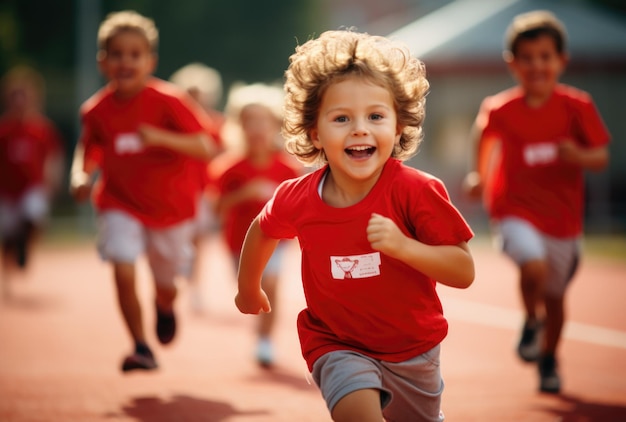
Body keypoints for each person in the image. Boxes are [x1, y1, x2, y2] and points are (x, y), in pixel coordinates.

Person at [235, 30, 475, 422]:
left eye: (376, 116)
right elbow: (263, 229)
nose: (359, 129)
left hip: (413, 348)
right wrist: (248, 287)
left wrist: (403, 247)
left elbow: (463, 271)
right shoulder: (297, 197)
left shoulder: (417, 191)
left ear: (398, 127)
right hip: (335, 342)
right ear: (315, 132)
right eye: (342, 118)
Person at [462, 10, 610, 394]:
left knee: (557, 299)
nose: (536, 66)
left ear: (562, 61)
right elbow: (483, 134)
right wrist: (479, 174)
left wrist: (577, 155)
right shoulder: (501, 108)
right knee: (533, 265)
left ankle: (548, 358)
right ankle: (531, 318)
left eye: (545, 57)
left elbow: (601, 157)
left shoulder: (577, 106)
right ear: (513, 64)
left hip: (563, 219)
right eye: (527, 58)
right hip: (513, 209)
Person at [69, 10, 220, 373]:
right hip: (119, 203)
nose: (126, 61)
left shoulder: (169, 100)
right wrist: (79, 175)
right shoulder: (95, 110)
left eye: (135, 54)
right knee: (122, 266)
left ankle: (164, 306)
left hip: (170, 210)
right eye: (117, 54)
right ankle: (140, 346)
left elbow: (206, 146)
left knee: (167, 284)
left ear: (150, 60)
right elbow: (88, 150)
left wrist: (161, 138)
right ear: (103, 62)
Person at [211, 82, 302, 367]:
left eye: (263, 120)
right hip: (237, 243)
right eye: (249, 120)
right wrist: (244, 194)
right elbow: (216, 208)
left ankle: (265, 341)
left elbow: (300, 209)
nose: (257, 127)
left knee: (271, 284)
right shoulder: (229, 168)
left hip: (276, 241)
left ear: (275, 124)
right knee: (251, 291)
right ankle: (260, 330)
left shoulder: (288, 168)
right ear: (239, 125)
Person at [0, 65, 64, 299]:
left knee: (34, 213)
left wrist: (54, 178)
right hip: (6, 191)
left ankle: (25, 247)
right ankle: (9, 269)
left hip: (32, 187)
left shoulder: (42, 129)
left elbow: (54, 156)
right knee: (8, 235)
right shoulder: (3, 130)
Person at [169, 62, 225, 314]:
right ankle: (179, 276)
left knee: (201, 240)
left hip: (204, 190)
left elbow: (222, 154)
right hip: (178, 188)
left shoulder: (215, 123)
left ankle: (196, 288)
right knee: (180, 238)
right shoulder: (172, 124)